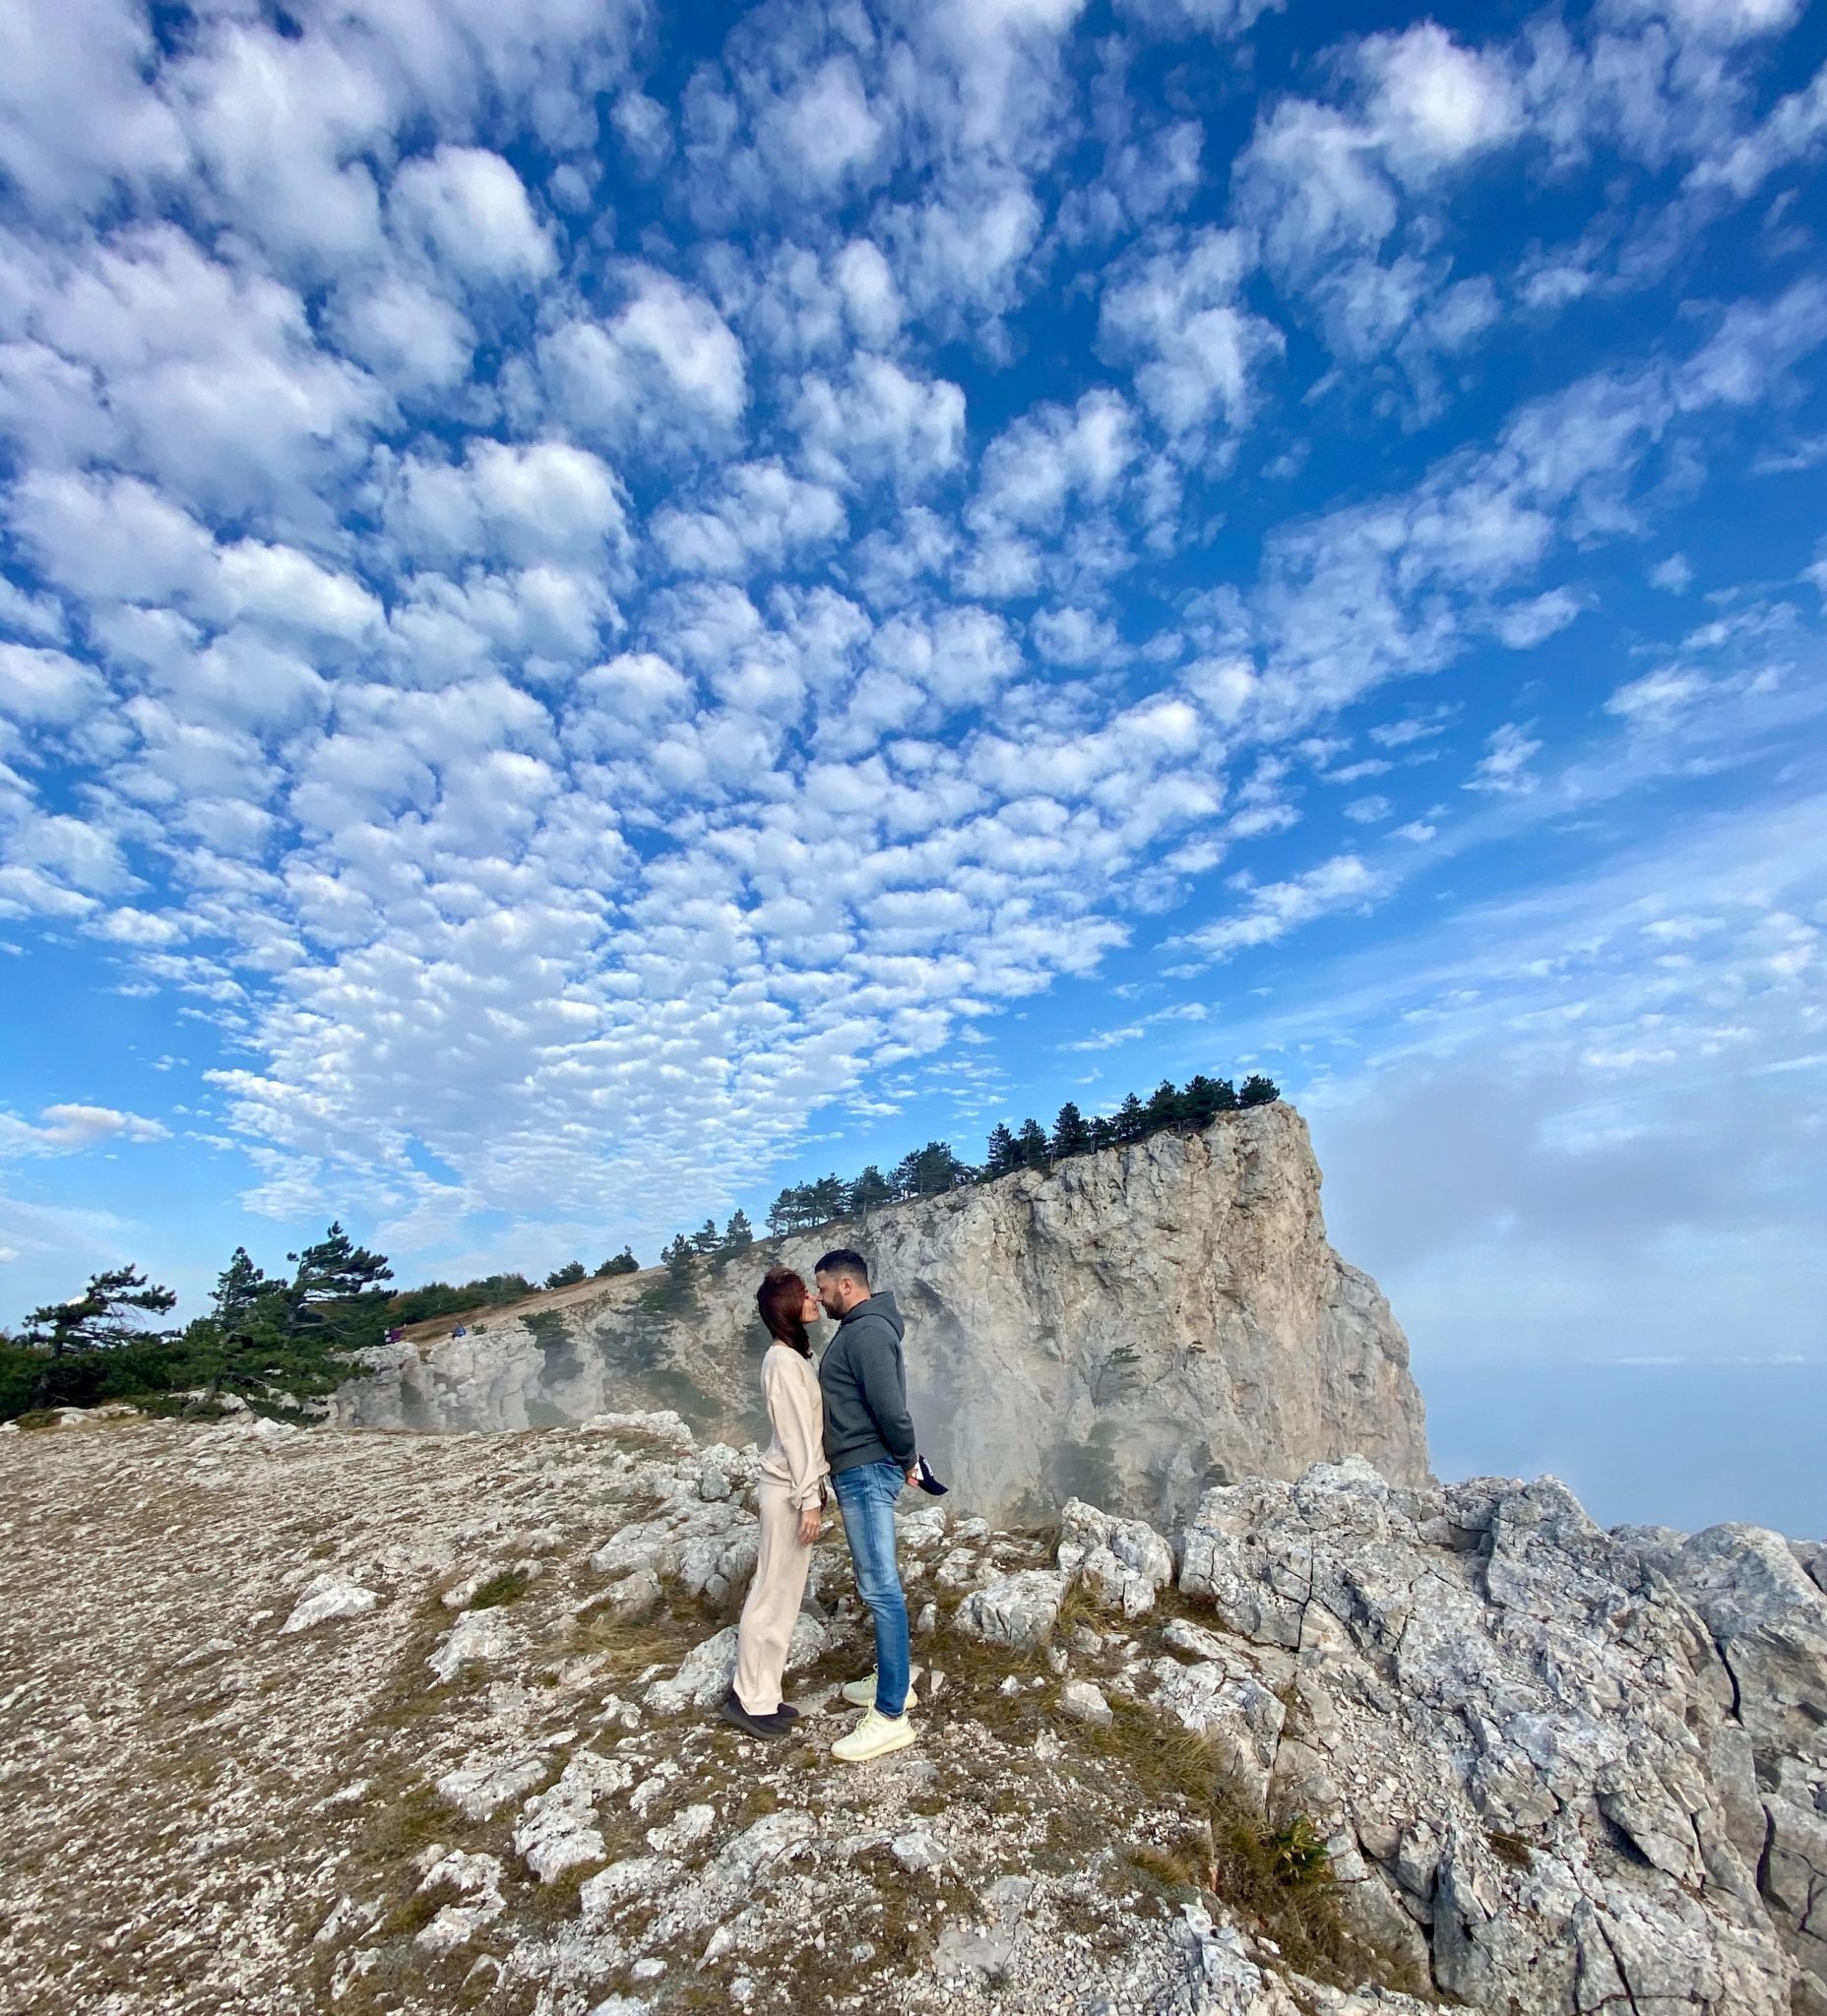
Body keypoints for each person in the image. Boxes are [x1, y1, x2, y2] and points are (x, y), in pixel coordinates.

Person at [814, 1247, 920, 1763]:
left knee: (881, 1587)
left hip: (866, 1470)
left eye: (824, 1287)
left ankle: (891, 1717)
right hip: (860, 1469)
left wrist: (906, 1458)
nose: (818, 1296)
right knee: (875, 1583)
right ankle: (895, 1680)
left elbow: (891, 1409)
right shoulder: (859, 1329)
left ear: (848, 1286)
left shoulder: (868, 1332)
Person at [720, 1267, 830, 1740]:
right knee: (772, 1589)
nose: (815, 1301)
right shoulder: (783, 1363)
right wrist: (809, 1499)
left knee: (785, 1593)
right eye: (806, 1295)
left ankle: (764, 1694)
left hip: (793, 1487)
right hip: (787, 1490)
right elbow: (796, 1437)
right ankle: (748, 1698)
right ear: (788, 1307)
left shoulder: (790, 1357)